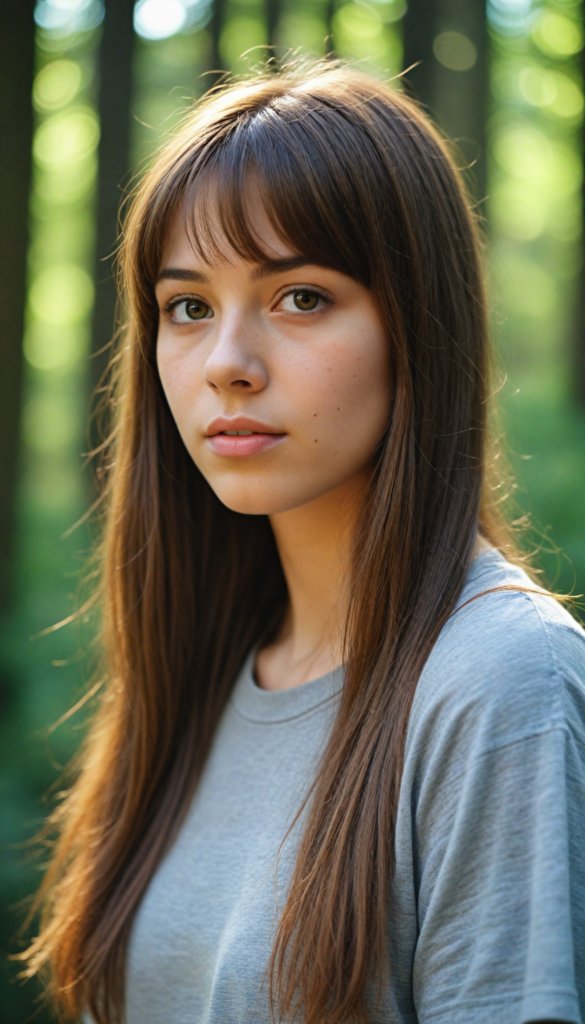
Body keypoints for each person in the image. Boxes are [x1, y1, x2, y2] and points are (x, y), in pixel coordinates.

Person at [21, 61, 585, 1024]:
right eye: (188, 307)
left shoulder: (499, 681)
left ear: (417, 324)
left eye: (301, 297)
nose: (227, 364)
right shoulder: (202, 666)